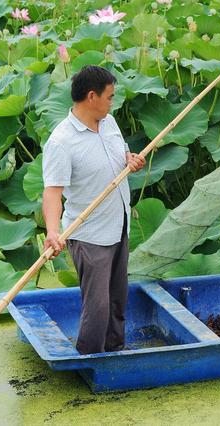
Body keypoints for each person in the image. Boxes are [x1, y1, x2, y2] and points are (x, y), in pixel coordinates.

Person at [42, 65, 145, 354]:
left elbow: (120, 155)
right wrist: (53, 232)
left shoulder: (109, 122)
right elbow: (52, 192)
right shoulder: (61, 142)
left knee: (117, 302)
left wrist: (130, 159)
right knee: (97, 309)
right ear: (91, 96)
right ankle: (89, 361)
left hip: (118, 224)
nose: (112, 102)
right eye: (109, 96)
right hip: (89, 235)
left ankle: (115, 355)